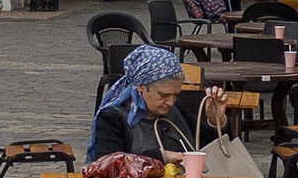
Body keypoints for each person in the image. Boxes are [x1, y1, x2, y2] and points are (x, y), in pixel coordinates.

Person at [87, 43, 229, 161]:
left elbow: (211, 149)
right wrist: (161, 156)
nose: (170, 102)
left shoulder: (176, 108)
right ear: (141, 86)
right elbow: (107, 165)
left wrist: (216, 120)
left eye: (175, 95)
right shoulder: (113, 118)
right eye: (163, 95)